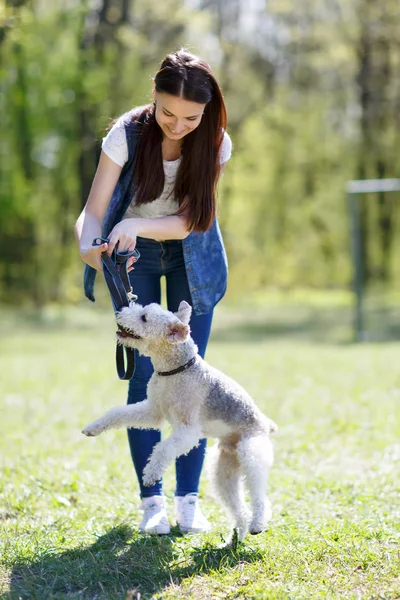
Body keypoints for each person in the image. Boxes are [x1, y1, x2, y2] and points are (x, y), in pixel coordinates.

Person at [74, 48, 232, 535]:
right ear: (154, 99)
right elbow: (93, 212)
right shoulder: (125, 133)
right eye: (168, 113)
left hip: (191, 253)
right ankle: (152, 504)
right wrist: (89, 245)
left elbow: (191, 220)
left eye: (191, 117)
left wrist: (136, 223)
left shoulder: (215, 142)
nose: (179, 125)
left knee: (191, 379)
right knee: (144, 378)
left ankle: (189, 502)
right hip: (130, 255)